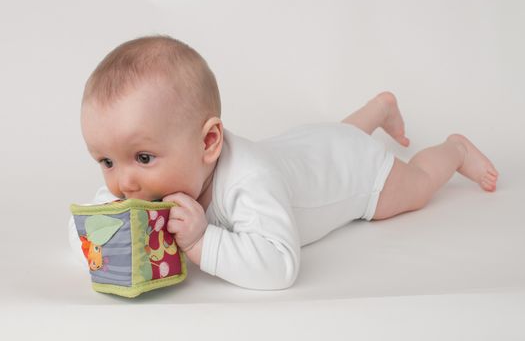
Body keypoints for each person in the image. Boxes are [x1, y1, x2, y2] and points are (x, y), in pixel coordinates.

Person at [69, 35, 499, 290]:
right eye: (106, 160)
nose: (124, 183)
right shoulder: (138, 185)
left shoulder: (249, 181)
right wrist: (100, 238)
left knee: (416, 186)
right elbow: (82, 234)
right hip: (309, 146)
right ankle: (378, 109)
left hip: (358, 173)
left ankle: (455, 149)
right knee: (334, 137)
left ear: (209, 142)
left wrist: (202, 245)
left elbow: (280, 265)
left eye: (143, 157)